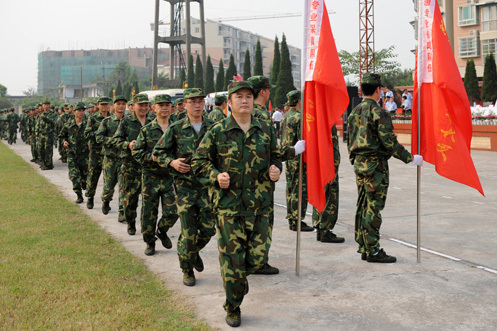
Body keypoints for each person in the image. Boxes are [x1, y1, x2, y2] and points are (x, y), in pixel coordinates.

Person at [192, 81, 283, 328]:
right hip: (229, 209)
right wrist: (215, 176)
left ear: (254, 101)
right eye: (239, 96)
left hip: (261, 208)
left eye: (249, 96)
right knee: (232, 263)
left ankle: (239, 280)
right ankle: (233, 307)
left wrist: (276, 168)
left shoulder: (264, 128)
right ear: (229, 102)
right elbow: (199, 162)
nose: (245, 100)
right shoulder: (217, 130)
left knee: (256, 259)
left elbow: (275, 156)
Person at [347, 73, 423, 263]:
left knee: (363, 204)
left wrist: (355, 160)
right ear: (378, 90)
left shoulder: (354, 111)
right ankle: (372, 250)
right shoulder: (379, 112)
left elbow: (350, 141)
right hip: (375, 166)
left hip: (360, 163)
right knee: (373, 207)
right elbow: (389, 143)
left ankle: (364, 246)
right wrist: (410, 158)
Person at [152, 88, 215, 288]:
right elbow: (158, 152)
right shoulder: (177, 128)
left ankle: (193, 252)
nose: (197, 105)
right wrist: (172, 162)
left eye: (200, 101)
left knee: (208, 229)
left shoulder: (214, 128)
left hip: (207, 188)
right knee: (188, 231)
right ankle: (186, 268)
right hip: (185, 187)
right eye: (192, 101)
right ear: (184, 104)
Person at [131, 94, 179, 256]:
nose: (164, 108)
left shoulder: (177, 128)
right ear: (154, 108)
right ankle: (150, 242)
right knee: (149, 212)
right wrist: (150, 157)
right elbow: (137, 153)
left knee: (173, 210)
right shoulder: (147, 130)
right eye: (161, 105)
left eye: (167, 105)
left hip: (169, 177)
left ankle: (162, 230)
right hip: (151, 176)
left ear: (172, 108)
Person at [113, 94, 152, 234]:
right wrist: (127, 144)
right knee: (130, 199)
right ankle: (130, 222)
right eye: (140, 105)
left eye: (145, 105)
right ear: (133, 106)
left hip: (149, 166)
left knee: (149, 201)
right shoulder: (126, 121)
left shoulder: (152, 121)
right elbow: (116, 140)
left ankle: (147, 229)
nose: (143, 108)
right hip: (130, 166)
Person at [279, 90, 313, 231]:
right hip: (298, 157)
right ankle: (297, 219)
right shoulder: (299, 118)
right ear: (299, 101)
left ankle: (292, 217)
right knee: (300, 190)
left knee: (290, 188)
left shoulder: (285, 117)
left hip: (288, 156)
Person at [312, 125, 345, 243]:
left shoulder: (317, 119)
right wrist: (333, 168)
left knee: (320, 195)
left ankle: (319, 227)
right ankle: (325, 230)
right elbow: (330, 147)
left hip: (317, 164)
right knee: (329, 198)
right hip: (326, 167)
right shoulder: (327, 122)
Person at [95, 96, 126, 223]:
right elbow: (99, 138)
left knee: (124, 187)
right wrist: (114, 141)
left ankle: (122, 211)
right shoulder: (107, 122)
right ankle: (106, 200)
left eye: (123, 104)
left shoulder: (129, 121)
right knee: (108, 187)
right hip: (110, 159)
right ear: (113, 106)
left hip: (124, 159)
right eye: (118, 104)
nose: (121, 106)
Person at [59, 102, 89, 203]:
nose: (81, 113)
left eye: (83, 111)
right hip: (72, 154)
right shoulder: (68, 125)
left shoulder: (88, 124)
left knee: (85, 176)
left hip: (85, 155)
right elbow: (62, 135)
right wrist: (64, 142)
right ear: (74, 111)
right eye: (79, 111)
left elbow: (94, 135)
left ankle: (84, 183)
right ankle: (79, 195)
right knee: (74, 176)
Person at [84, 96, 111, 209]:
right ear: (98, 105)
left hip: (109, 153)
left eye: (106, 104)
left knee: (109, 179)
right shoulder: (93, 118)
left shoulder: (113, 118)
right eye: (102, 104)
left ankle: (106, 201)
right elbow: (87, 133)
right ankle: (90, 197)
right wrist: (99, 135)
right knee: (93, 176)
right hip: (96, 152)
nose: (104, 106)